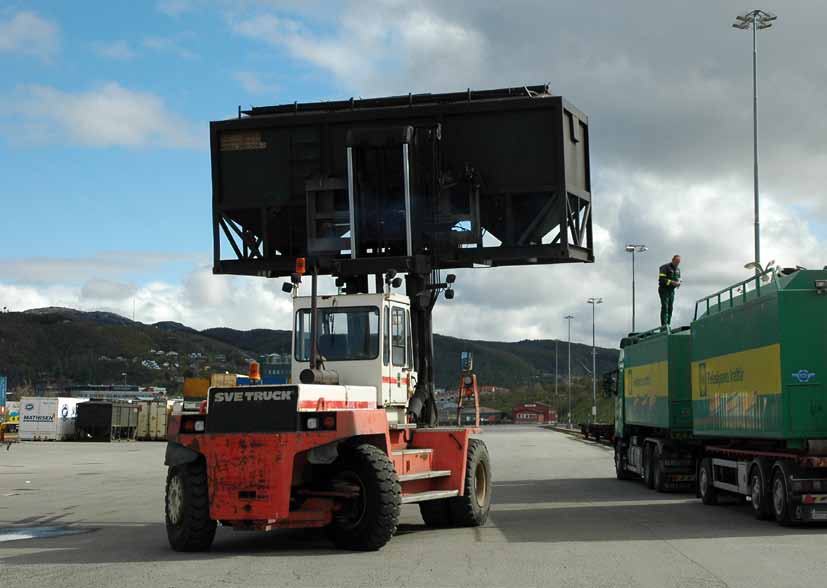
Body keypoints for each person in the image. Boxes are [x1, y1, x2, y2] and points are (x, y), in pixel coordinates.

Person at [658, 255, 681, 326]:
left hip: (671, 291)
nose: (677, 263)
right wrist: (672, 282)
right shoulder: (665, 267)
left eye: (679, 262)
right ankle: (664, 326)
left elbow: (679, 278)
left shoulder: (678, 270)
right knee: (665, 307)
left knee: (670, 308)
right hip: (664, 290)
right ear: (673, 260)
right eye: (676, 261)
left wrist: (678, 283)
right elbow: (661, 279)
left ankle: (668, 324)